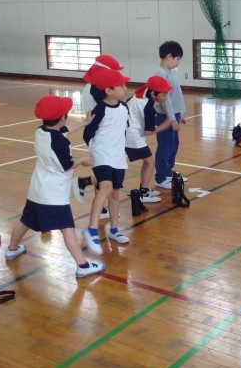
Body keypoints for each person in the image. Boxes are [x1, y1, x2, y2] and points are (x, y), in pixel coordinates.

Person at [5, 95, 105, 278]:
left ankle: (12, 249)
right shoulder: (58, 142)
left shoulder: (42, 131)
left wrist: (84, 123)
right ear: (62, 118)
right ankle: (83, 265)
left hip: (37, 190)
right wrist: (82, 160)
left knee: (25, 221)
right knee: (67, 228)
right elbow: (66, 165)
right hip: (53, 194)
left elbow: (64, 130)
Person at [81, 68, 131, 254]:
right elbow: (88, 132)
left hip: (118, 155)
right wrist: (95, 149)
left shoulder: (124, 107)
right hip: (101, 152)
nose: (125, 88)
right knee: (106, 187)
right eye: (121, 86)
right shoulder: (99, 109)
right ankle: (92, 229)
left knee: (115, 193)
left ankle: (114, 230)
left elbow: (122, 130)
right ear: (109, 90)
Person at [74, 54, 125, 221]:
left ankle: (85, 183)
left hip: (107, 137)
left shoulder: (93, 86)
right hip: (100, 138)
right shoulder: (96, 90)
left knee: (106, 173)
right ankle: (100, 208)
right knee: (104, 176)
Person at [126, 75, 174, 203]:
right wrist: (165, 125)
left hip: (130, 133)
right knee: (150, 162)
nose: (166, 97)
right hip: (132, 137)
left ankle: (144, 189)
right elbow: (148, 132)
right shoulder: (147, 106)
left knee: (148, 161)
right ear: (153, 94)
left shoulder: (141, 96)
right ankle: (143, 193)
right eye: (163, 95)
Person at [154, 40, 188, 189]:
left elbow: (176, 95)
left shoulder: (170, 72)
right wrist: (172, 118)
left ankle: (168, 172)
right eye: (177, 59)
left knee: (173, 145)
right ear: (169, 56)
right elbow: (165, 100)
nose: (178, 62)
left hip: (174, 114)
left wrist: (181, 113)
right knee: (165, 146)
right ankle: (160, 177)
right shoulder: (161, 73)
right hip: (165, 116)